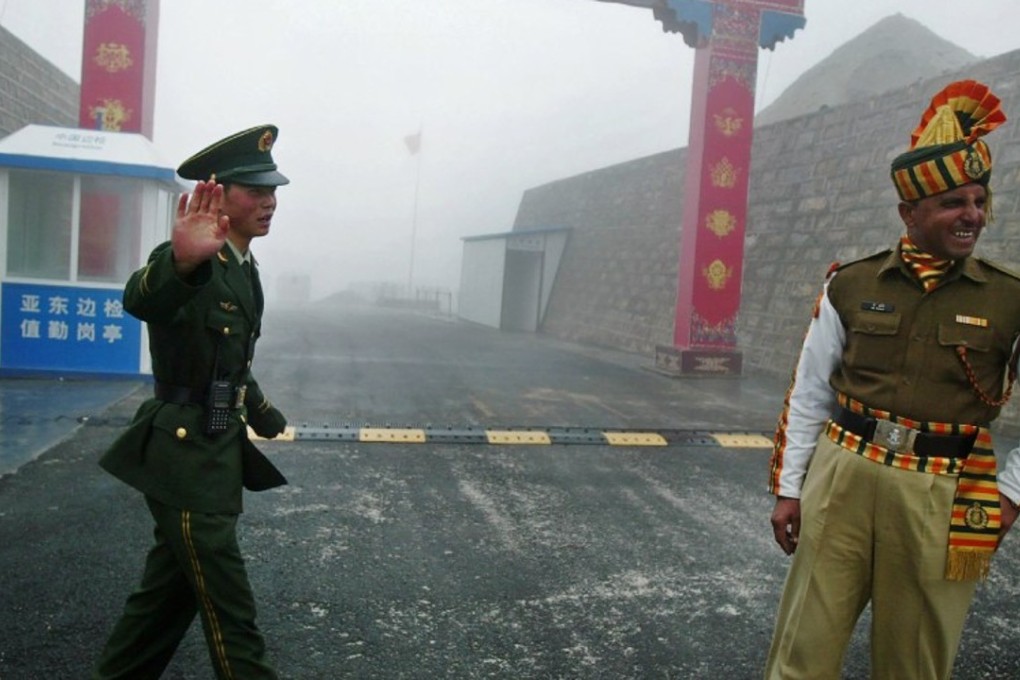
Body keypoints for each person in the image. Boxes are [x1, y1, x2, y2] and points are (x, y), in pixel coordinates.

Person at [765, 79, 1020, 679]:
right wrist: (790, 486)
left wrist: (1012, 494)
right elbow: (810, 392)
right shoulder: (851, 284)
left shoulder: (1011, 299)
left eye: (980, 201)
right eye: (954, 202)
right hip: (842, 474)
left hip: (946, 488)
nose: (972, 216)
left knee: (916, 660)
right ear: (910, 212)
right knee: (804, 645)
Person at [92, 125, 291, 680]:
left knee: (164, 603)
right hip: (184, 455)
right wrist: (180, 264)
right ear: (218, 193)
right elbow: (142, 298)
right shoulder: (194, 259)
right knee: (231, 611)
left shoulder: (243, 267)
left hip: (215, 450)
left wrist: (263, 411)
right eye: (254, 190)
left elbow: (229, 361)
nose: (269, 200)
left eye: (273, 189)